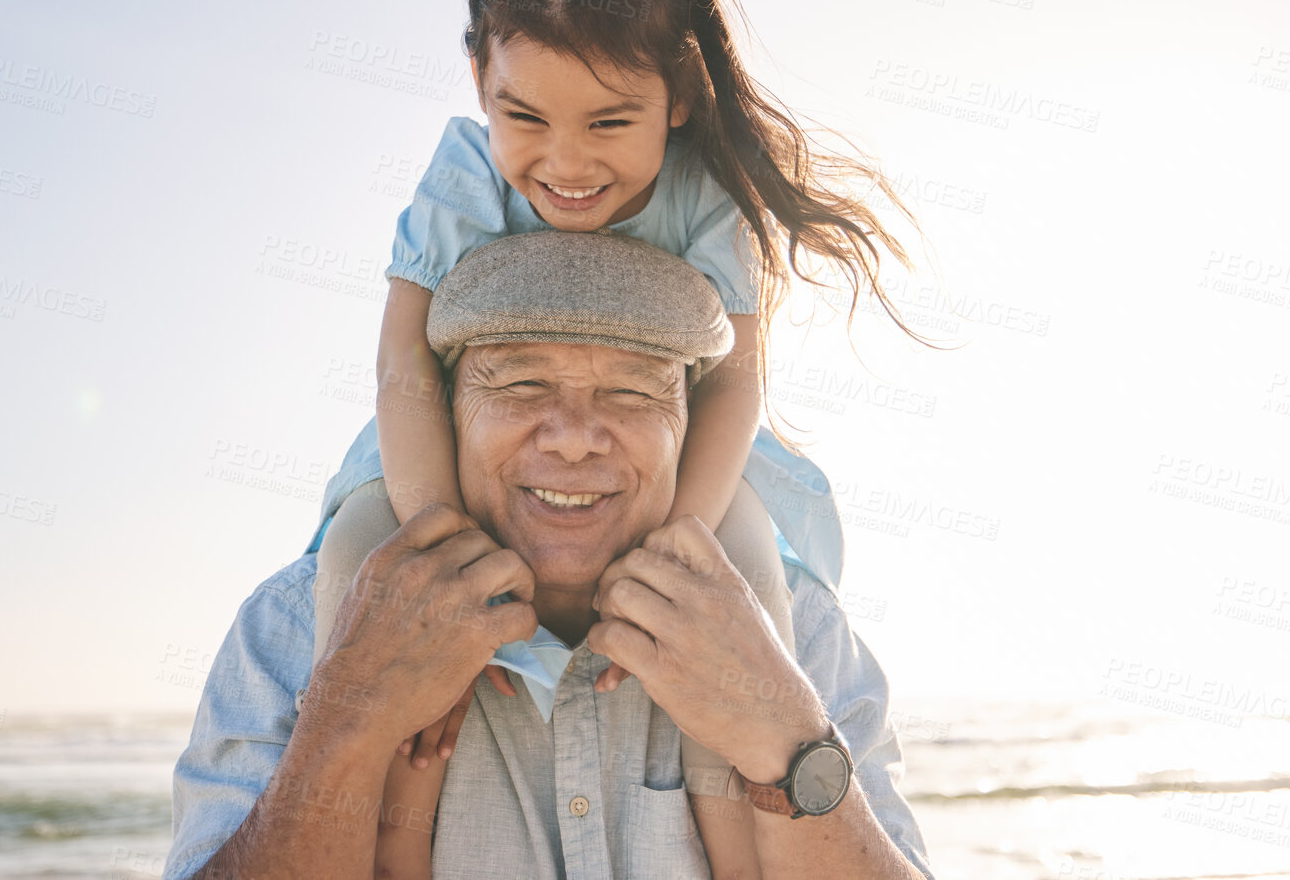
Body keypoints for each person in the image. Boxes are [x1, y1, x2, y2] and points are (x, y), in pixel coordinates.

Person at [305, 0, 936, 880]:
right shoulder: (462, 176)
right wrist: (439, 545)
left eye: (607, 124)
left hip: (701, 464)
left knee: (746, 592)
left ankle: (723, 794)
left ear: (676, 95)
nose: (565, 164)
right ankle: (395, 789)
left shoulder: (703, 191)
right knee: (356, 565)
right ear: (479, 79)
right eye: (528, 118)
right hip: (427, 445)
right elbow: (404, 367)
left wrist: (681, 538)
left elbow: (732, 384)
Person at [165, 230, 935, 879]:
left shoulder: (800, 636)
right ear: (445, 414)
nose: (572, 435)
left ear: (690, 429)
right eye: (522, 382)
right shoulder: (296, 625)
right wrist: (348, 719)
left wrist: (787, 738)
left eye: (634, 391)